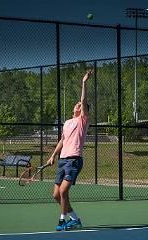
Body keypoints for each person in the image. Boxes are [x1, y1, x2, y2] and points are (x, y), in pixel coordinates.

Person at [47, 69, 92, 231]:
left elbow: (83, 98)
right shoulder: (67, 123)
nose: (78, 104)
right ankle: (75, 219)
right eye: (77, 104)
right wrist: (53, 156)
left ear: (83, 110)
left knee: (64, 191)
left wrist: (84, 82)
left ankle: (62, 221)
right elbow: (62, 140)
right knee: (56, 195)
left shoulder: (83, 121)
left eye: (80, 105)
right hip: (62, 160)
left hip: (74, 160)